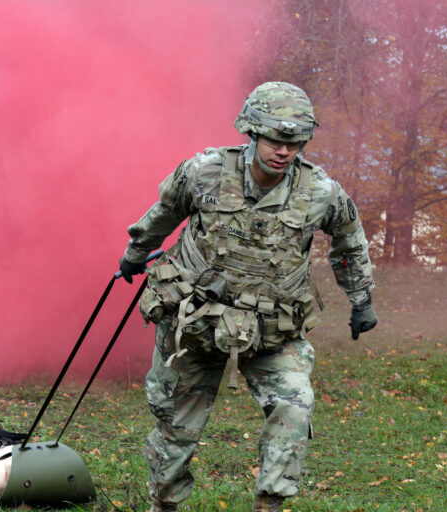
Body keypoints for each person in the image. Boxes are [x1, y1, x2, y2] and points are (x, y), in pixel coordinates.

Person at [118, 82, 377, 512]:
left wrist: (361, 298)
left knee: (295, 407)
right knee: (176, 429)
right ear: (252, 132)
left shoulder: (320, 193)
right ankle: (163, 507)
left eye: (294, 143)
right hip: (194, 323)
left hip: (272, 330)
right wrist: (135, 253)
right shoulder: (205, 172)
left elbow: (349, 240)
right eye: (275, 139)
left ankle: (269, 505)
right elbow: (164, 211)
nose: (284, 151)